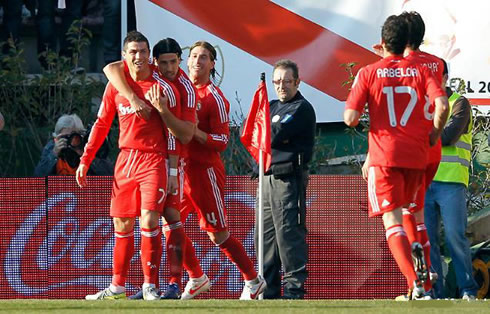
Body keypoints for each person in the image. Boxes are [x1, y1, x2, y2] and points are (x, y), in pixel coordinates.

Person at [344, 15, 448, 300]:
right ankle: (424, 277)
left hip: (385, 155)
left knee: (392, 222)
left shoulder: (369, 72)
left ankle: (416, 282)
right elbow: (441, 104)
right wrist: (435, 133)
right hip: (418, 154)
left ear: (382, 42)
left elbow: (351, 118)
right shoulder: (426, 69)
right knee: (412, 214)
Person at [103, 37, 209, 300]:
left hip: (178, 159)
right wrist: (130, 95)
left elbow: (182, 135)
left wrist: (173, 170)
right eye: (163, 63)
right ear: (154, 62)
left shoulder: (182, 87)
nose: (168, 68)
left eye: (173, 62)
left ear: (179, 61)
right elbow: (110, 68)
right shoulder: (154, 80)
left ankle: (175, 282)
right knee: (167, 221)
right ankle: (192, 277)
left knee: (171, 219)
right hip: (161, 158)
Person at [77, 31, 168, 301]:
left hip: (154, 158)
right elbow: (102, 123)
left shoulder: (159, 81)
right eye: (133, 52)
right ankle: (117, 287)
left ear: (149, 55)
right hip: (126, 158)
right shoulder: (115, 84)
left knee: (150, 219)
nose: (138, 56)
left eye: (142, 51)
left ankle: (150, 285)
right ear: (124, 56)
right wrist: (86, 158)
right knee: (122, 222)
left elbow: (174, 125)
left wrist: (174, 167)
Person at [182, 40, 265, 300]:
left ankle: (253, 279)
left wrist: (194, 131)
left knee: (217, 234)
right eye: (194, 56)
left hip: (204, 171)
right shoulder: (182, 91)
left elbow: (222, 141)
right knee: (168, 224)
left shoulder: (214, 97)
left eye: (203, 57)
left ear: (213, 64)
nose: (197, 61)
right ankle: (195, 276)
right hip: (181, 169)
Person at [252, 59, 316, 299]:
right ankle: (267, 290)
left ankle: (293, 290)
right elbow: (251, 131)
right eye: (277, 82)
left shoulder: (301, 108)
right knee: (265, 238)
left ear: (297, 82)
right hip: (266, 178)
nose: (281, 87)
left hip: (288, 180)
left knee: (289, 235)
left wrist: (268, 132)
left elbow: (275, 134)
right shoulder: (271, 106)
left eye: (287, 82)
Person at [396, 11, 446, 298]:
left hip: (409, 148)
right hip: (432, 147)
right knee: (418, 212)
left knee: (406, 214)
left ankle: (420, 283)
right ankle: (423, 282)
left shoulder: (400, 65)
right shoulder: (436, 64)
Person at [424, 60, 479, 300]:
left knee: (455, 237)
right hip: (424, 181)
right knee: (427, 241)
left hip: (452, 182)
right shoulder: (421, 106)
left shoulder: (460, 103)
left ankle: (468, 290)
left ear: (446, 78)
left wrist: (418, 135)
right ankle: (434, 293)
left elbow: (447, 137)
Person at [34, 113, 113, 177]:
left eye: (74, 137)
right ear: (56, 138)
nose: (70, 142)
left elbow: (109, 175)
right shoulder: (51, 148)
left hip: (86, 194)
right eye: (65, 138)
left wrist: (87, 156)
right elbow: (38, 176)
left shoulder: (87, 147)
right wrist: (54, 154)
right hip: (58, 194)